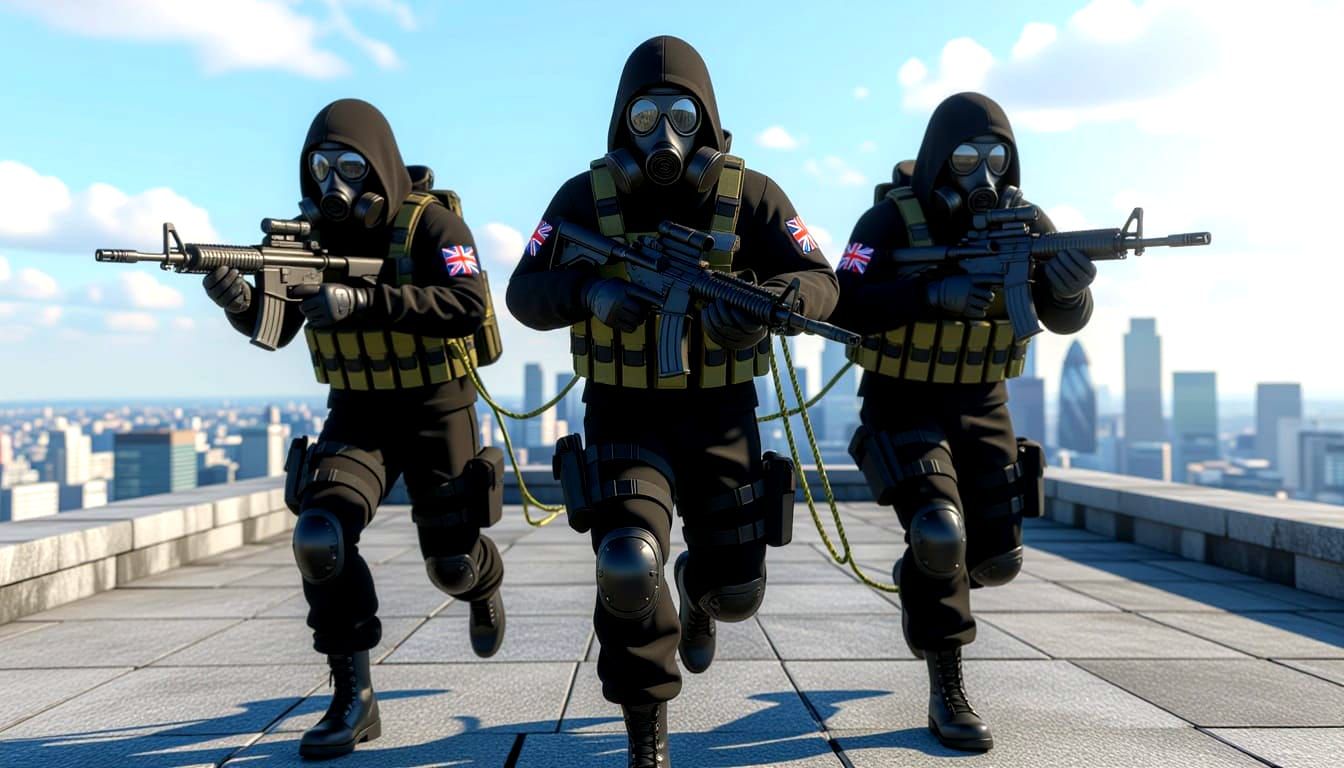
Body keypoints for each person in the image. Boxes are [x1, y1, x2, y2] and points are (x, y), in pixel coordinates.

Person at [506, 36, 838, 768]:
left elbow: (821, 279)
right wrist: (590, 291)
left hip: (723, 415)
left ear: (707, 120)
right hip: (623, 413)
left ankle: (697, 589)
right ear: (622, 120)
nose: (664, 133)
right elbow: (523, 292)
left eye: (682, 116)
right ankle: (644, 735)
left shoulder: (753, 195)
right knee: (627, 565)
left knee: (738, 590)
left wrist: (768, 302)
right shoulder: (582, 199)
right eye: (646, 116)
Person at [202, 98, 508, 759]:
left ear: (380, 166)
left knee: (452, 564)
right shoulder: (305, 240)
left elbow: (467, 303)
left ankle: (483, 586)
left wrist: (365, 301)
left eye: (349, 167)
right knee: (321, 534)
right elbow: (276, 329)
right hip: (358, 411)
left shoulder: (435, 225)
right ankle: (352, 696)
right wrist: (239, 301)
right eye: (320, 168)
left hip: (437, 407)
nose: (333, 184)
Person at [830, 91, 1094, 752]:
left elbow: (1063, 316)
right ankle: (947, 688)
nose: (983, 172)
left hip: (982, 400)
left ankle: (924, 576)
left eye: (997, 158)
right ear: (937, 160)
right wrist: (930, 293)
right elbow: (842, 301)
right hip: (901, 397)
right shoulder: (887, 221)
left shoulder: (1025, 222)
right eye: (967, 157)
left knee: (997, 559)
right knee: (938, 529)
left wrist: (1070, 291)